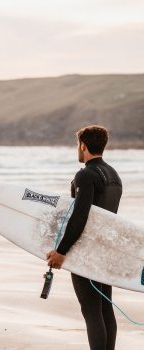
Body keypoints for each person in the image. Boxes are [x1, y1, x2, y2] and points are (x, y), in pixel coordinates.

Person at [46, 125, 123, 350]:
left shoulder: (85, 174)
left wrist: (61, 251)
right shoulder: (113, 175)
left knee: (91, 310)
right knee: (105, 307)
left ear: (83, 145)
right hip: (106, 249)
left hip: (87, 250)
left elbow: (79, 216)